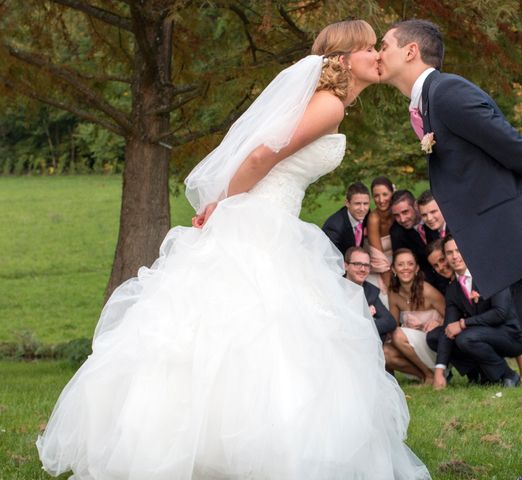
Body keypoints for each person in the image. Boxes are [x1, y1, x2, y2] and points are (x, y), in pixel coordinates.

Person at [37, 20, 431, 480]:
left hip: (270, 217)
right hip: (260, 220)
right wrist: (220, 206)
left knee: (243, 329)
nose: (377, 56)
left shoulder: (328, 103)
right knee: (256, 329)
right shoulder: (328, 107)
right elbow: (262, 155)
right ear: (344, 59)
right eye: (369, 48)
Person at [378, 19, 522, 480]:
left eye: (383, 44)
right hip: (520, 247)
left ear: (410, 51)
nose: (377, 51)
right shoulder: (429, 103)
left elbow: (515, 147)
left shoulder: (446, 93)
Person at [428, 237, 522, 390]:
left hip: (510, 335)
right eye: (449, 253)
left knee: (466, 338)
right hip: (481, 334)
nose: (455, 256)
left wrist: (464, 324)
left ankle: (507, 375)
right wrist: (439, 370)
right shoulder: (453, 289)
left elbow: (500, 313)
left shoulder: (491, 274)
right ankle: (479, 374)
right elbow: (448, 329)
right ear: (445, 257)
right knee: (434, 337)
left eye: (458, 250)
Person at [385, 248, 444, 384]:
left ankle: (431, 374)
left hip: (432, 345)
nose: (406, 268)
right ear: (393, 269)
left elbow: (452, 317)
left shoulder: (427, 291)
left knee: (397, 335)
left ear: (416, 268)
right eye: (400, 264)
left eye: (410, 264)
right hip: (411, 347)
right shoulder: (393, 294)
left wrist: (439, 323)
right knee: (385, 352)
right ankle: (425, 375)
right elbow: (393, 325)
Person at [344, 246, 396, 340]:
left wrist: (364, 325)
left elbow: (389, 321)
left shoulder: (370, 290)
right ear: (346, 266)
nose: (363, 269)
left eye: (366, 265)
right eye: (357, 264)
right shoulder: (334, 286)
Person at [322, 181, 370, 255]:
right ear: (347, 203)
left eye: (365, 203)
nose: (362, 209)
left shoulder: (367, 214)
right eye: (357, 203)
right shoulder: (334, 227)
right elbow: (330, 258)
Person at [365, 176, 395, 289]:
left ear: (392, 193)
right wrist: (391, 289)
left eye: (385, 194)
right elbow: (379, 259)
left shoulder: (398, 213)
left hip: (400, 263)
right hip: (380, 266)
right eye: (376, 196)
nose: (381, 200)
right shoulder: (374, 219)